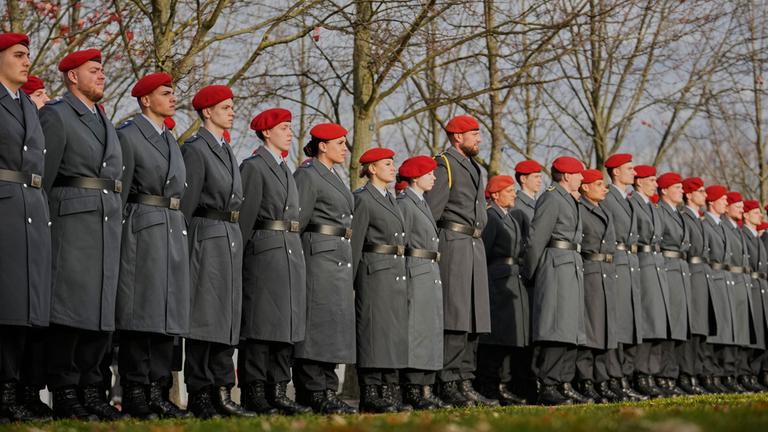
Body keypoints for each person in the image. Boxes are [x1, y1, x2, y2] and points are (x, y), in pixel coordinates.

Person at [40, 48, 124, 421]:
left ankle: (92, 388)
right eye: (95, 70)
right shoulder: (56, 115)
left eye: (103, 70)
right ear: (72, 76)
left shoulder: (104, 118)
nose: (102, 75)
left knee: (100, 313)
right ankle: (65, 391)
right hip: (71, 221)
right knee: (70, 311)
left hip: (105, 223)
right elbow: (44, 177)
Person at [115, 72, 191, 419]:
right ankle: (135, 392)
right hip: (142, 228)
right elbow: (122, 190)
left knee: (166, 315)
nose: (173, 97)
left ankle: (159, 391)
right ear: (146, 100)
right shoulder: (129, 136)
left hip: (172, 230)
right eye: (166, 93)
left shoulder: (171, 139)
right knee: (140, 313)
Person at [180, 85, 252, 418]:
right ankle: (201, 392)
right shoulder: (196, 149)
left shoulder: (225, 149)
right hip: (205, 237)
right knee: (205, 318)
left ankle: (223, 390)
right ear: (207, 112)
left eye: (232, 106)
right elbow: (188, 204)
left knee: (226, 317)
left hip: (228, 237)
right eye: (225, 107)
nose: (232, 111)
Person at [237, 108, 310, 415]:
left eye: (290, 127)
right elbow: (246, 220)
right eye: (283, 128)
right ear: (266, 133)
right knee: (261, 326)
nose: (290, 132)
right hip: (264, 252)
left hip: (289, 252)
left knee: (285, 327)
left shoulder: (284, 167)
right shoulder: (254, 167)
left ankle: (278, 390)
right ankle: (255, 391)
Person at [425, 115, 496, 407]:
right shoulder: (445, 165)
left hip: (474, 244)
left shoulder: (474, 166)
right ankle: (448, 382)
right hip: (453, 244)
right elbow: (431, 213)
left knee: (473, 318)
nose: (479, 139)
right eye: (474, 134)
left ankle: (465, 380)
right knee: (455, 317)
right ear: (458, 137)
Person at [0, 32, 52, 423]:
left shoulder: (28, 107)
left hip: (30, 208)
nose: (26, 61)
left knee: (24, 308)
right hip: (4, 205)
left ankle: (17, 390)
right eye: (18, 55)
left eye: (27, 55)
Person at [292, 123, 357, 414]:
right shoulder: (308, 174)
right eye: (339, 143)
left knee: (333, 325)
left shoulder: (334, 176)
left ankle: (329, 387)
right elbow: (298, 221)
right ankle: (313, 390)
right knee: (315, 325)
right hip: (316, 255)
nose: (345, 148)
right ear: (322, 145)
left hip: (338, 256)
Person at [350, 147, 411, 413]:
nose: (392, 167)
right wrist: (350, 281)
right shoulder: (363, 198)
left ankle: (389, 388)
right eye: (387, 163)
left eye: (392, 163)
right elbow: (355, 242)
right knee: (374, 332)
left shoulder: (391, 198)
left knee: (392, 333)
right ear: (371, 169)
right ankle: (371, 391)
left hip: (395, 269)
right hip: (373, 270)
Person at [524, 156, 589, 405]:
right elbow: (536, 239)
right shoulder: (551, 198)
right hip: (555, 264)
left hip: (571, 264)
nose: (582, 178)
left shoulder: (569, 199)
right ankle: (548, 384)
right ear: (566, 176)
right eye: (578, 173)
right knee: (555, 327)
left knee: (570, 328)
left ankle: (563, 381)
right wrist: (530, 272)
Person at [396, 156, 449, 410]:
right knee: (416, 330)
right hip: (415, 269)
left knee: (429, 329)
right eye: (429, 173)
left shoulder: (422, 203)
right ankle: (414, 389)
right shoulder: (405, 203)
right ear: (416, 176)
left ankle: (426, 388)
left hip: (429, 269)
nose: (434, 177)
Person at [475, 175, 529, 406]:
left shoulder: (511, 218)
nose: (514, 194)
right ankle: (488, 386)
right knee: (495, 339)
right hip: (495, 280)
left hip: (512, 279)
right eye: (509, 191)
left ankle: (503, 386)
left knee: (510, 339)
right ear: (495, 195)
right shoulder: (491, 217)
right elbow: (483, 252)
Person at [575, 169, 624, 403]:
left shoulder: (603, 210)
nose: (604, 188)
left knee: (607, 329)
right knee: (590, 329)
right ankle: (585, 380)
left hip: (607, 272)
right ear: (584, 187)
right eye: (598, 184)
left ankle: (602, 380)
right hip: (590, 271)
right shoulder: (579, 209)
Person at [601, 154, 646, 401]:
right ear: (616, 172)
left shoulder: (626, 200)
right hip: (616, 262)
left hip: (630, 262)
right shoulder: (608, 197)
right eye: (629, 168)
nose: (633, 171)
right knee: (616, 324)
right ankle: (614, 378)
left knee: (630, 323)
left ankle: (625, 378)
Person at [627, 165, 673, 398]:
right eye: (651, 180)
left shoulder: (651, 205)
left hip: (656, 263)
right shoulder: (632, 202)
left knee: (658, 322)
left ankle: (652, 372)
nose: (656, 184)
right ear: (639, 182)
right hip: (643, 261)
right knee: (646, 321)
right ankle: (641, 373)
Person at [656, 172, 700, 395]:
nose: (681, 191)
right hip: (667, 268)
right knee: (669, 324)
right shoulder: (660, 211)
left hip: (680, 270)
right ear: (664, 190)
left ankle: (674, 374)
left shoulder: (677, 213)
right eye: (676, 187)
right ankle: (665, 376)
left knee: (680, 326)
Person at [680, 177, 719, 393]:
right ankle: (688, 375)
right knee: (692, 326)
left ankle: (698, 372)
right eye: (701, 191)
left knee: (702, 326)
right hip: (691, 272)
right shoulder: (685, 217)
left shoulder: (698, 218)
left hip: (702, 273)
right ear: (689, 194)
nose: (705, 195)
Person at [701, 185, 738, 393]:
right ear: (712, 202)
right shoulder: (706, 224)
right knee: (713, 329)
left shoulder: (723, 226)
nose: (726, 203)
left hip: (724, 277)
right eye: (722, 199)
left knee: (725, 329)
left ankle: (723, 374)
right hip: (712, 276)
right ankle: (711, 374)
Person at [721, 192, 756, 393]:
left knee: (742, 331)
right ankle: (728, 374)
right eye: (737, 205)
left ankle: (740, 373)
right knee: (730, 331)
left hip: (741, 281)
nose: (742, 209)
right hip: (730, 280)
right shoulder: (725, 227)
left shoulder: (737, 230)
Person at [741, 200, 768, 391]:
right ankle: (756, 373)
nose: (760, 216)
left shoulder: (758, 239)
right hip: (753, 285)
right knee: (756, 332)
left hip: (761, 285)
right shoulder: (759, 238)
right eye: (756, 212)